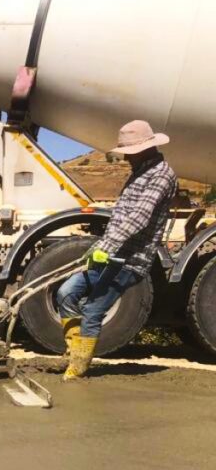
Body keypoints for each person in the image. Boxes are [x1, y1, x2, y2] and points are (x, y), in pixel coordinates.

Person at [55, 121, 177, 380]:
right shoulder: (140, 171)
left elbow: (139, 217)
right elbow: (121, 216)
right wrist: (99, 246)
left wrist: (107, 247)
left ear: (146, 148)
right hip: (109, 253)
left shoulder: (161, 174)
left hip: (130, 258)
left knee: (93, 310)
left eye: (130, 152)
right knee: (66, 292)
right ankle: (75, 350)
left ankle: (78, 367)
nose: (126, 157)